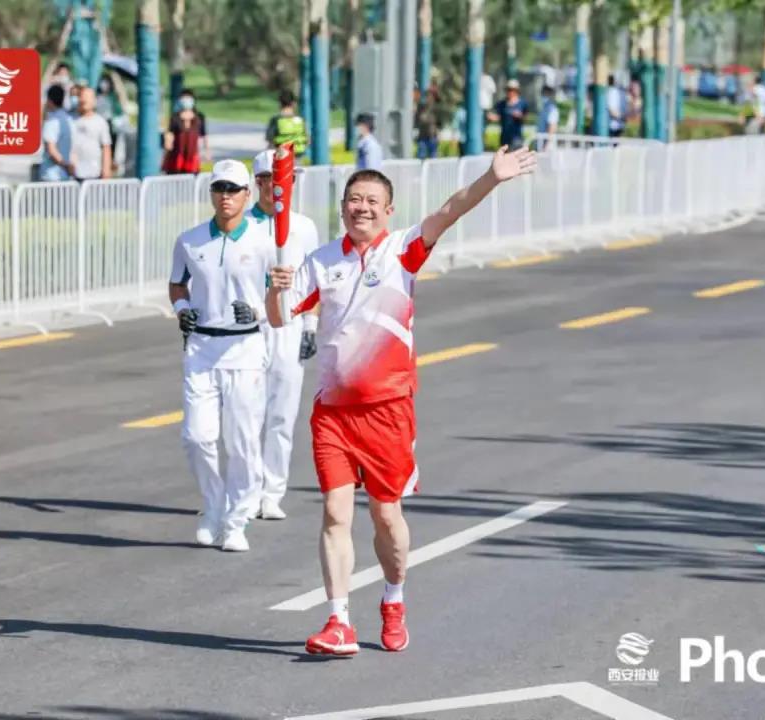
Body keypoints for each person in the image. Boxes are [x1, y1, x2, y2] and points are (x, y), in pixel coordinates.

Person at [265, 146, 538, 656]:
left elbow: (450, 210)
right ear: (342, 208)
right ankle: (339, 621)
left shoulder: (403, 249)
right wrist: (273, 287)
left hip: (388, 411)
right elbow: (280, 316)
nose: (361, 207)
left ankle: (393, 599)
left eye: (371, 201)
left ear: (388, 210)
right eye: (354, 200)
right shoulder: (321, 262)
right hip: (333, 413)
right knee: (335, 513)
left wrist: (492, 178)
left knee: (385, 516)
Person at [169, 160, 270, 553]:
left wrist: (258, 312)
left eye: (233, 189)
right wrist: (182, 310)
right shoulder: (190, 241)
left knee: (242, 442)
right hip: (201, 348)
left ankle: (236, 520)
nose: (225, 196)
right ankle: (213, 506)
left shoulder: (264, 241)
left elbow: (282, 295)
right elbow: (177, 284)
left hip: (245, 348)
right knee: (197, 437)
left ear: (247, 194)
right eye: (219, 188)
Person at [244, 149, 320, 520]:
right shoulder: (243, 226)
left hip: (289, 327)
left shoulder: (304, 227)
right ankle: (246, 491)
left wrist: (311, 326)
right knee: (247, 416)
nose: (287, 186)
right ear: (261, 182)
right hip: (251, 329)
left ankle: (272, 493)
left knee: (282, 416)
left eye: (290, 179)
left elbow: (312, 281)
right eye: (279, 180)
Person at [71, 87, 113, 181]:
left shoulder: (100, 122)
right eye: (82, 97)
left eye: (87, 97)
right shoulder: (71, 120)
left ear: (94, 101)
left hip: (94, 173)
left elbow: (106, 147)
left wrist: (106, 169)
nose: (84, 100)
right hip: (74, 173)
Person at [163, 89, 208, 175]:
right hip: (177, 155)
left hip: (192, 155)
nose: (186, 101)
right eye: (184, 98)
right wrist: (166, 152)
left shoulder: (199, 117)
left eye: (188, 98)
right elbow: (169, 136)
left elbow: (204, 135)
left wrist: (207, 152)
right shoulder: (175, 118)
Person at [39, 85, 74, 181]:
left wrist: (65, 165)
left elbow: (51, 150)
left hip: (52, 175)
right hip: (66, 175)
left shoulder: (51, 122)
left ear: (49, 100)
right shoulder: (70, 120)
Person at [488, 79, 529, 151]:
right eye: (508, 90)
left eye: (512, 90)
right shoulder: (502, 103)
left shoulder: (522, 103)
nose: (510, 92)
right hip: (504, 138)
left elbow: (526, 118)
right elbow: (497, 116)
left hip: (516, 137)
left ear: (517, 91)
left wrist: (520, 116)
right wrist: (492, 117)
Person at [266, 89, 309, 157]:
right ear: (293, 103)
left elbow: (269, 139)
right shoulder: (300, 120)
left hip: (280, 155)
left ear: (280, 103)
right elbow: (307, 140)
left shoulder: (275, 120)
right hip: (298, 154)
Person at [415, 86, 446, 160]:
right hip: (422, 136)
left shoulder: (437, 108)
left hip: (432, 137)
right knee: (421, 156)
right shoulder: (421, 107)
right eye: (427, 95)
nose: (428, 97)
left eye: (430, 95)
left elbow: (440, 123)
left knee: (433, 157)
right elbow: (418, 120)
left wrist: (439, 133)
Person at [536, 84, 559, 149]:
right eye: (543, 93)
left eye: (545, 94)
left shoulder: (552, 109)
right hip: (541, 142)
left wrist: (546, 144)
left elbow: (552, 127)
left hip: (547, 145)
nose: (543, 95)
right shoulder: (544, 108)